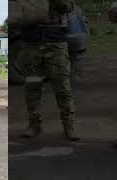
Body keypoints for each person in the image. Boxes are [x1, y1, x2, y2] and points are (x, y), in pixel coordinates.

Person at [11, 0, 80, 141]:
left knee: (62, 86)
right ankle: (34, 124)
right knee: (32, 86)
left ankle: (69, 126)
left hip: (55, 45)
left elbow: (68, 7)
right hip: (30, 45)